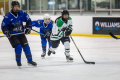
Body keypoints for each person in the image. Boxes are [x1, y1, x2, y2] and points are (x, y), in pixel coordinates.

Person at [1, 1, 37, 68]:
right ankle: (18, 61)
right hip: (13, 35)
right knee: (18, 47)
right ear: (12, 7)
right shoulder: (8, 16)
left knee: (26, 47)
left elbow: (28, 20)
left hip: (21, 33)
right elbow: (3, 26)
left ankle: (30, 60)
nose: (17, 8)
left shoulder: (21, 13)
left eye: (18, 6)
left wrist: (29, 27)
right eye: (15, 6)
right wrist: (6, 31)